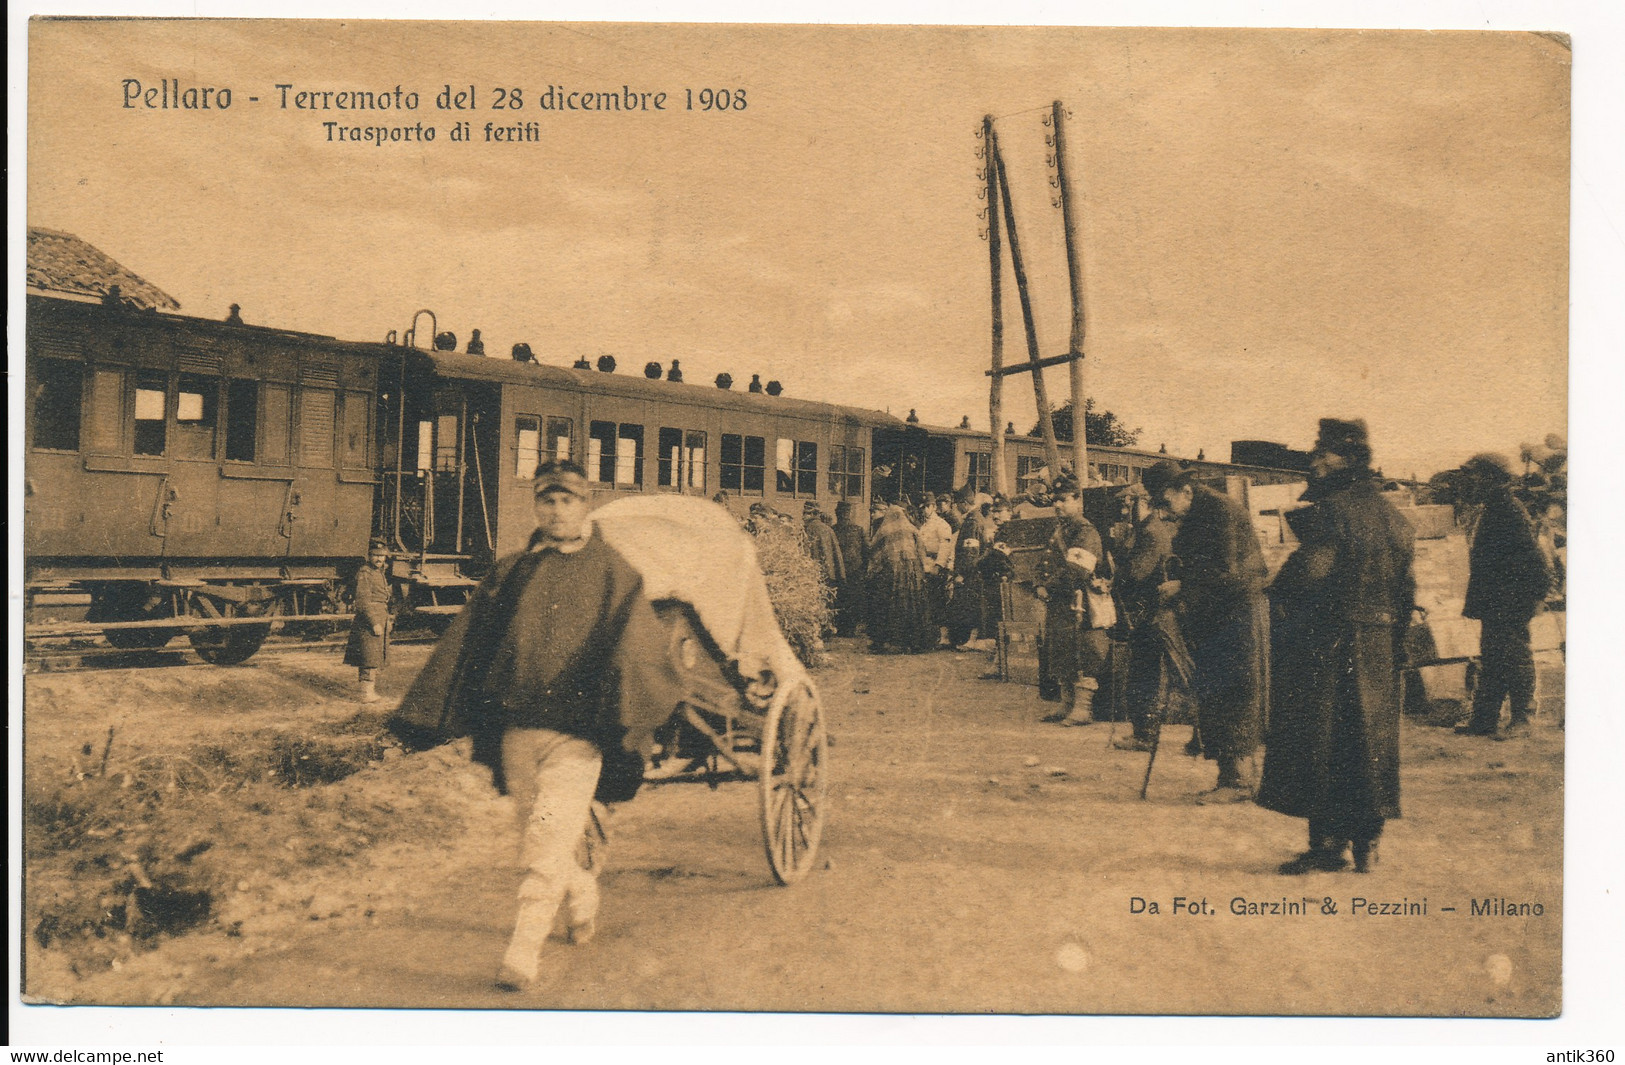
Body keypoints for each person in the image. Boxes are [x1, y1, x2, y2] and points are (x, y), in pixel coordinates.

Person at [391, 460, 680, 991]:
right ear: (536, 507)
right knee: (541, 831)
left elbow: (638, 653)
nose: (556, 510)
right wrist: (430, 714)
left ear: (585, 503)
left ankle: (522, 953)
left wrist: (630, 716)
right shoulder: (514, 570)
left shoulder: (615, 574)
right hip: (517, 733)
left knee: (546, 842)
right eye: (546, 500)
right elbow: (469, 644)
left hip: (578, 735)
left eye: (566, 500)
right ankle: (584, 892)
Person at [1257, 419, 1416, 874]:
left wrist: (1278, 589)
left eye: (1321, 454)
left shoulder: (1332, 512)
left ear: (1344, 459)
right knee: (1369, 745)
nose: (1313, 462)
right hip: (1379, 646)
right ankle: (1368, 843)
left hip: (1330, 644)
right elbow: (1406, 591)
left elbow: (1311, 573)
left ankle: (1327, 844)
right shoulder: (1395, 518)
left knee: (1324, 742)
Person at [1143, 459, 1269, 801]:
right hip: (1216, 612)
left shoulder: (1219, 512)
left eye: (1165, 504)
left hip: (1237, 613)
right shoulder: (1198, 511)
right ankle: (1230, 777)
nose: (1165, 514)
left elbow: (1228, 572)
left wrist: (1182, 587)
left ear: (1184, 491)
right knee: (1215, 689)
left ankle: (1238, 782)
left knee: (1234, 692)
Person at [1455, 452, 1553, 739]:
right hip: (1498, 600)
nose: (1468, 481)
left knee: (1515, 657)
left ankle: (1522, 719)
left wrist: (1534, 596)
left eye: (1473, 475)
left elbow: (1534, 559)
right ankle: (1484, 720)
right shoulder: (1496, 507)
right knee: (1494, 658)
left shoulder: (1507, 510)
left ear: (1490, 478)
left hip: (1510, 600)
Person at [1107, 486, 1191, 751]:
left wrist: (1115, 572)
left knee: (1147, 673)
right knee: (1147, 671)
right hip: (1145, 612)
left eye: (1127, 505)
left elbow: (1135, 573)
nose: (1123, 512)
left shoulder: (1152, 533)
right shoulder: (1140, 531)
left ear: (1143, 503)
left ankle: (1145, 733)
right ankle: (1145, 731)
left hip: (1154, 613)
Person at [1036, 475, 1115, 725]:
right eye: (1054, 500)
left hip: (1080, 602)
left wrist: (1048, 587)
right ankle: (1066, 703)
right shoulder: (1060, 529)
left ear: (1078, 500)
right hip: (1061, 602)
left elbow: (1077, 570)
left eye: (1063, 500)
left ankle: (1083, 709)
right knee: (1062, 652)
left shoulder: (1085, 531)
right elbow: (1045, 562)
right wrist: (1039, 583)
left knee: (1083, 653)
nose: (1057, 505)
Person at [865, 501, 934, 653]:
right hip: (912, 573)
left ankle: (890, 642)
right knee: (914, 605)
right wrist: (923, 570)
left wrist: (872, 572)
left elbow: (875, 552)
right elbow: (922, 551)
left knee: (889, 604)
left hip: (891, 572)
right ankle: (914, 642)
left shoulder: (885, 530)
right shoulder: (912, 529)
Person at [344, 539, 393, 703]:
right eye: (375, 555)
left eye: (382, 556)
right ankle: (365, 694)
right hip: (370, 619)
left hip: (380, 616)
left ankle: (368, 692)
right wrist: (374, 622)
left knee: (373, 656)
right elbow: (362, 602)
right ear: (369, 556)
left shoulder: (379, 572)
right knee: (368, 657)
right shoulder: (365, 573)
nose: (379, 559)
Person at [917, 492, 955, 646]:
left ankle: (943, 637)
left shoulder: (942, 524)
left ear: (933, 507)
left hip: (936, 567)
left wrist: (939, 565)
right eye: (922, 507)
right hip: (925, 565)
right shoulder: (924, 525)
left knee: (938, 602)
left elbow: (945, 547)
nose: (924, 510)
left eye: (927, 507)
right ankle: (929, 636)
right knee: (927, 602)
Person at [832, 500, 869, 637]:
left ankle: (842, 628)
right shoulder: (859, 530)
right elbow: (866, 551)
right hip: (855, 570)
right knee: (853, 599)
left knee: (840, 598)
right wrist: (864, 568)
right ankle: (850, 628)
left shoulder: (833, 529)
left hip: (840, 571)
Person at [802, 501, 846, 591]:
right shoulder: (828, 529)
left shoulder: (807, 530)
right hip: (828, 574)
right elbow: (837, 554)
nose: (803, 517)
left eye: (806, 513)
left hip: (812, 573)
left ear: (813, 514)